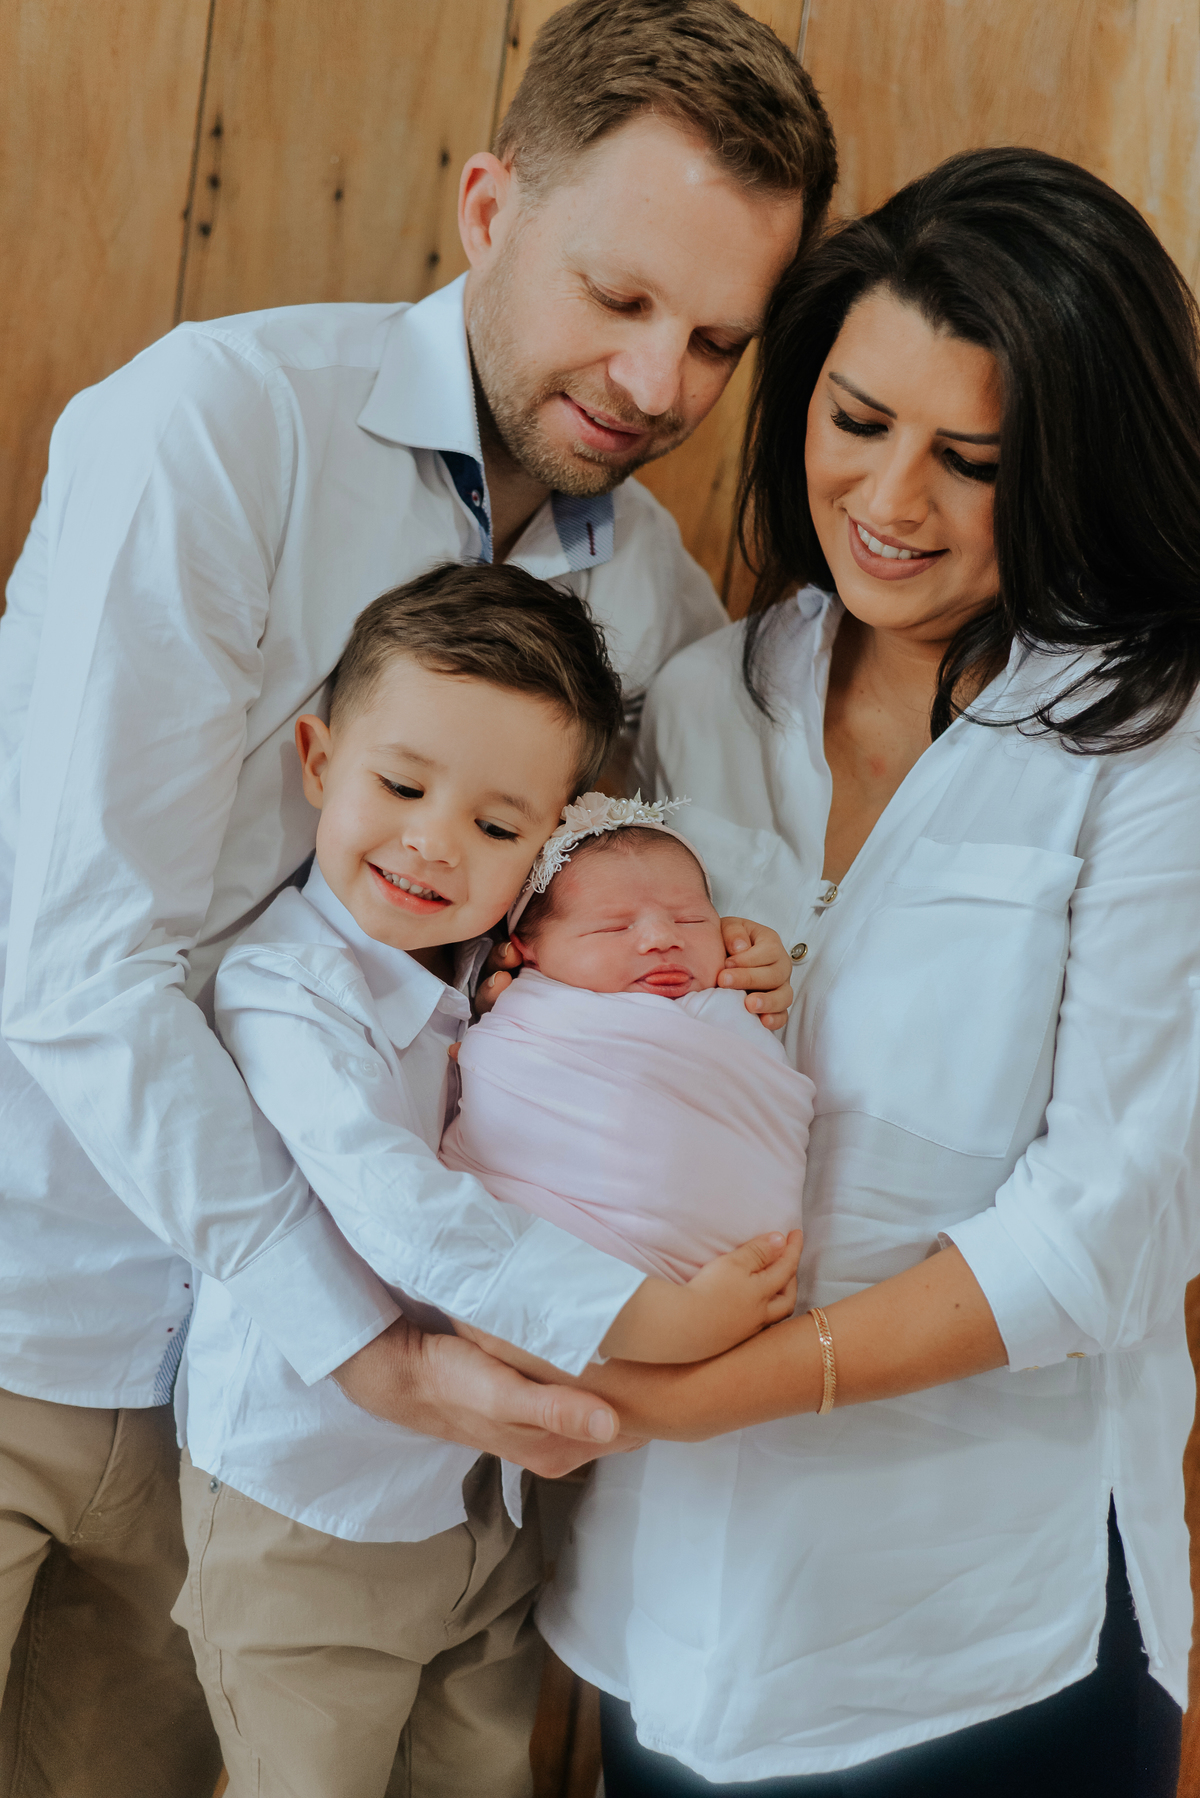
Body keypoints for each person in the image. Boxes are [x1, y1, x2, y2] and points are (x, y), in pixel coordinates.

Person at [0, 3, 834, 1789]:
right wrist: (365, 1340)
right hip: (33, 1293)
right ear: (487, 206)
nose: (658, 382)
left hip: (260, 1446)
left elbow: (610, 939)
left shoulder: (654, 605)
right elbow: (75, 965)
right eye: (618, 295)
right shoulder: (215, 428)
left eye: (714, 339)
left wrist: (733, 955)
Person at [532, 148, 1199, 1797]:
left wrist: (714, 1391)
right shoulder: (702, 698)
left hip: (981, 1635)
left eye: (975, 462)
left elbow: (1105, 1226)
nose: (893, 502)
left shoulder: (1154, 745)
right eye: (857, 419)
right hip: (664, 1618)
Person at [181, 562, 800, 1797]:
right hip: (309, 1508)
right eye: (402, 786)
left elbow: (638, 1005)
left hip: (481, 1507)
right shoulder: (287, 990)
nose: (433, 842)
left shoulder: (500, 972)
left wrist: (740, 961)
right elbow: (409, 1217)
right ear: (319, 761)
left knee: (480, 1773)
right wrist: (650, 1321)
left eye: (498, 828)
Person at [442, 799, 813, 1292]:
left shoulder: (735, 1003)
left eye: (690, 920)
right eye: (615, 927)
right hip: (550, 1259)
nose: (662, 938)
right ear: (526, 952)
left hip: (738, 1272)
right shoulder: (525, 1010)